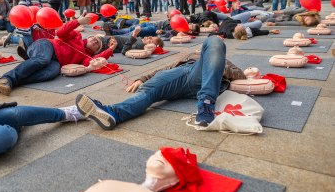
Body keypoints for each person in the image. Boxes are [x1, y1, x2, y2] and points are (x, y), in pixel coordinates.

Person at [75, 37, 245, 130]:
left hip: (199, 79)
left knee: (215, 40)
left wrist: (218, 65)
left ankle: (206, 104)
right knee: (147, 94)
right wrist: (142, 78)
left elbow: (240, 76)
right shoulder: (188, 58)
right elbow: (164, 69)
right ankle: (114, 113)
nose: (199, 51)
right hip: (179, 75)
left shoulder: (221, 60)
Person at [0, 15, 115, 95]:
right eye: (94, 38)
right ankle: (9, 79)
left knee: (52, 72)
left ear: (96, 49)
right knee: (43, 60)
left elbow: (96, 61)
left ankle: (3, 80)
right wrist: (78, 22)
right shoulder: (77, 36)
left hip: (56, 61)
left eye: (97, 43)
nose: (94, 40)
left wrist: (110, 49)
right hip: (47, 45)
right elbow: (61, 32)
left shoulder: (85, 58)